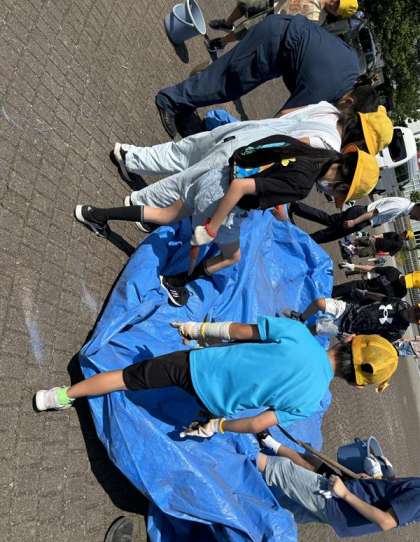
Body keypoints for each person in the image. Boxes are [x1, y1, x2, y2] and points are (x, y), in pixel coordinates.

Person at [75, 137, 378, 306]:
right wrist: (212, 227)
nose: (332, 195)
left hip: (215, 176)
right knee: (232, 257)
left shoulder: (311, 152)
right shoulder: (302, 184)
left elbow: (269, 155)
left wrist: (270, 196)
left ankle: (95, 214)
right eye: (339, 192)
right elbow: (241, 188)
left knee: (167, 214)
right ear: (342, 184)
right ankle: (175, 282)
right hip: (224, 199)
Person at [34, 318, 398, 436]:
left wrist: (200, 329)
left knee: (127, 378)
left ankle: (62, 396)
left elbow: (240, 331)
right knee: (203, 414)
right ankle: (200, 421)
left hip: (199, 366)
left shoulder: (300, 335)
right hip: (215, 404)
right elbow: (258, 423)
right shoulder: (312, 399)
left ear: (349, 339)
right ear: (356, 383)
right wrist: (217, 427)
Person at [155, 14, 369, 138]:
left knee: (230, 80)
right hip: (275, 42)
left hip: (282, 33)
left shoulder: (353, 66)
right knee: (229, 83)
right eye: (346, 114)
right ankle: (170, 101)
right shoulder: (326, 89)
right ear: (349, 101)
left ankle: (186, 103)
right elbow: (282, 120)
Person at [256, 435, 420, 537]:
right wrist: (375, 479)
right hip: (343, 509)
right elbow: (395, 498)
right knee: (286, 508)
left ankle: (241, 457)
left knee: (280, 468)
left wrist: (345, 494)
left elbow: (386, 521)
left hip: (338, 502)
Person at [208, 0, 358, 50]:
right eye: (338, 1)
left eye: (337, 8)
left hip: (274, 18)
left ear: (337, 14)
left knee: (244, 30)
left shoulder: (316, 20)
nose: (334, 4)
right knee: (244, 3)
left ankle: (222, 43)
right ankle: (227, 23)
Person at [289, 194, 420, 244]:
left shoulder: (404, 204)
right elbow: (374, 212)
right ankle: (300, 242)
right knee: (328, 234)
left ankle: (298, 207)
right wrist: (354, 222)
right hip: (361, 217)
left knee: (328, 220)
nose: (417, 220)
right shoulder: (401, 206)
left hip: (360, 215)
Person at [294, 294, 420, 342]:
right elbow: (382, 298)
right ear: (415, 305)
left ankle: (295, 336)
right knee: (319, 302)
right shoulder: (399, 303)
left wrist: (352, 340)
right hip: (350, 310)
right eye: (416, 311)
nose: (413, 315)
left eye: (416, 318)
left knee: (315, 329)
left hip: (348, 328)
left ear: (416, 323)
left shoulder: (398, 331)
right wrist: (365, 293)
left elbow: (376, 341)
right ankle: (301, 318)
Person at [333, 265, 420, 302]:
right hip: (357, 285)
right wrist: (353, 266)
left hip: (362, 300)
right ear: (410, 273)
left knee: (333, 307)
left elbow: (384, 300)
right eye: (407, 279)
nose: (404, 283)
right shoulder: (393, 271)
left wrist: (366, 294)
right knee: (331, 292)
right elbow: (373, 269)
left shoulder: (402, 292)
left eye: (408, 284)